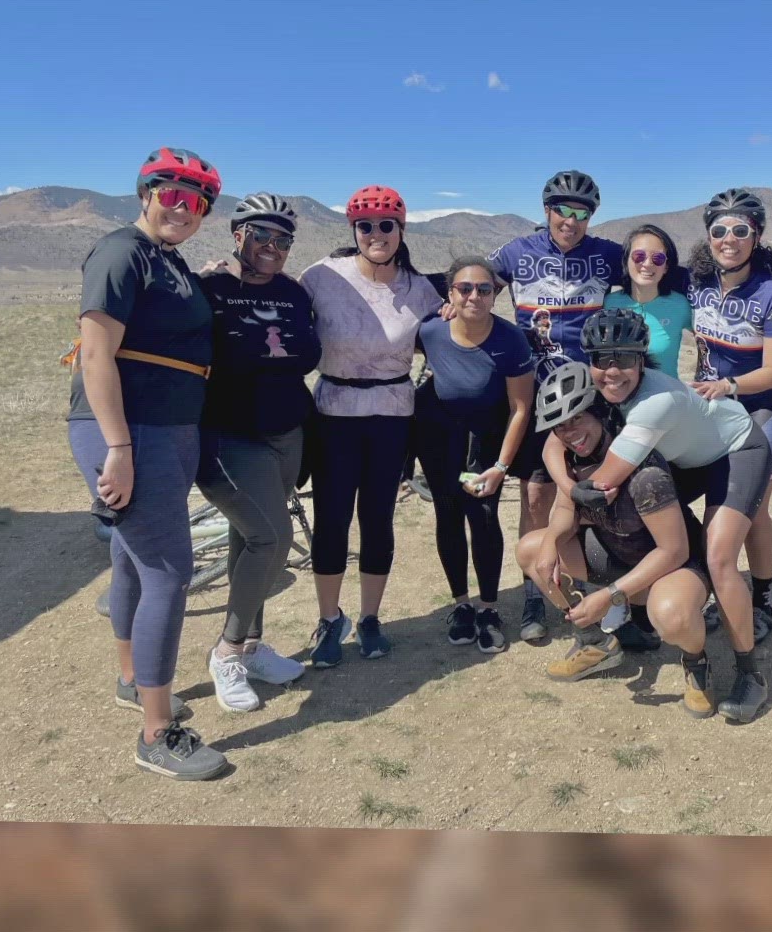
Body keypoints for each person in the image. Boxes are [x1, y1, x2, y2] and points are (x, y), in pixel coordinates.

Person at [66, 146, 230, 781]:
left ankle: (133, 680)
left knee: (131, 557)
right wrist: (120, 448)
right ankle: (157, 734)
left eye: (198, 202)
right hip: (133, 430)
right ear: (146, 193)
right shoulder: (120, 253)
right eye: (173, 195)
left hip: (167, 428)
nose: (184, 209)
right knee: (168, 571)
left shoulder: (167, 261)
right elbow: (95, 356)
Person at [554, 307, 772, 722]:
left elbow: (602, 484)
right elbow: (554, 442)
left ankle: (750, 674)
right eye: (602, 359)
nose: (612, 371)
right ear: (590, 362)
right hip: (686, 458)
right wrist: (566, 500)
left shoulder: (654, 403)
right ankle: (645, 612)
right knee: (639, 515)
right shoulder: (598, 387)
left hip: (735, 451)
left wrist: (569, 505)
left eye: (624, 359)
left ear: (642, 360)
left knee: (720, 555)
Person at [517, 363, 720, 717]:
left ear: (600, 412)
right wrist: (552, 541)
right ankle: (596, 643)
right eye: (560, 427)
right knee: (532, 550)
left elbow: (674, 550)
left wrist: (610, 598)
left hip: (672, 566)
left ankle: (696, 662)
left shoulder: (645, 472)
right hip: (617, 552)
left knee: (671, 616)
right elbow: (567, 506)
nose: (570, 433)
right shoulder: (575, 455)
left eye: (577, 419)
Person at [299, 185, 442, 668]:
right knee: (332, 518)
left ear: (401, 230)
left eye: (386, 225)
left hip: (392, 417)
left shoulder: (420, 290)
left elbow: (452, 332)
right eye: (365, 225)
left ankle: (371, 618)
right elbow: (277, 305)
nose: (376, 233)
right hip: (334, 414)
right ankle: (328, 619)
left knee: (377, 518)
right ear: (353, 231)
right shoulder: (321, 276)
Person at [480, 170, 625, 641]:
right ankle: (533, 597)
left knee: (597, 492)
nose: (571, 219)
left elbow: (659, 274)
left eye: (582, 212)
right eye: (562, 209)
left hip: (594, 398)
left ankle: (607, 590)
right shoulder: (516, 253)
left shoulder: (608, 256)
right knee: (537, 496)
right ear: (546, 210)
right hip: (538, 395)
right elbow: (472, 284)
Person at [193, 193, 321, 712]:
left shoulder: (294, 294)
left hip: (288, 430)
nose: (272, 246)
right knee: (271, 537)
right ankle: (225, 653)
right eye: (261, 235)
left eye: (283, 239)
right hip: (228, 435)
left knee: (247, 540)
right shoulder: (208, 288)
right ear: (237, 234)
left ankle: (249, 644)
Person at [687, 189, 772, 643]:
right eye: (719, 230)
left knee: (753, 508)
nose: (728, 239)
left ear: (756, 236)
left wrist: (730, 385)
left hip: (761, 407)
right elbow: (641, 272)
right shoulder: (696, 281)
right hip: (712, 409)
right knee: (718, 502)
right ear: (708, 236)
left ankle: (761, 599)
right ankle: (716, 584)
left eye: (739, 230)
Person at [414, 256, 536, 652]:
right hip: (437, 439)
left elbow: (520, 408)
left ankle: (488, 608)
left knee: (483, 519)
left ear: (494, 295)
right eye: (464, 288)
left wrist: (502, 466)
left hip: (485, 441)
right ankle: (461, 605)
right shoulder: (431, 330)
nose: (474, 296)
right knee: (446, 517)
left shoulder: (510, 339)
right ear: (449, 293)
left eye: (484, 289)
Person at [603, 224, 694, 380]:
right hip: (620, 398)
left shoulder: (681, 305)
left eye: (658, 258)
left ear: (666, 267)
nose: (647, 264)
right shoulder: (609, 304)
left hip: (667, 398)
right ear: (626, 261)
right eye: (639, 256)